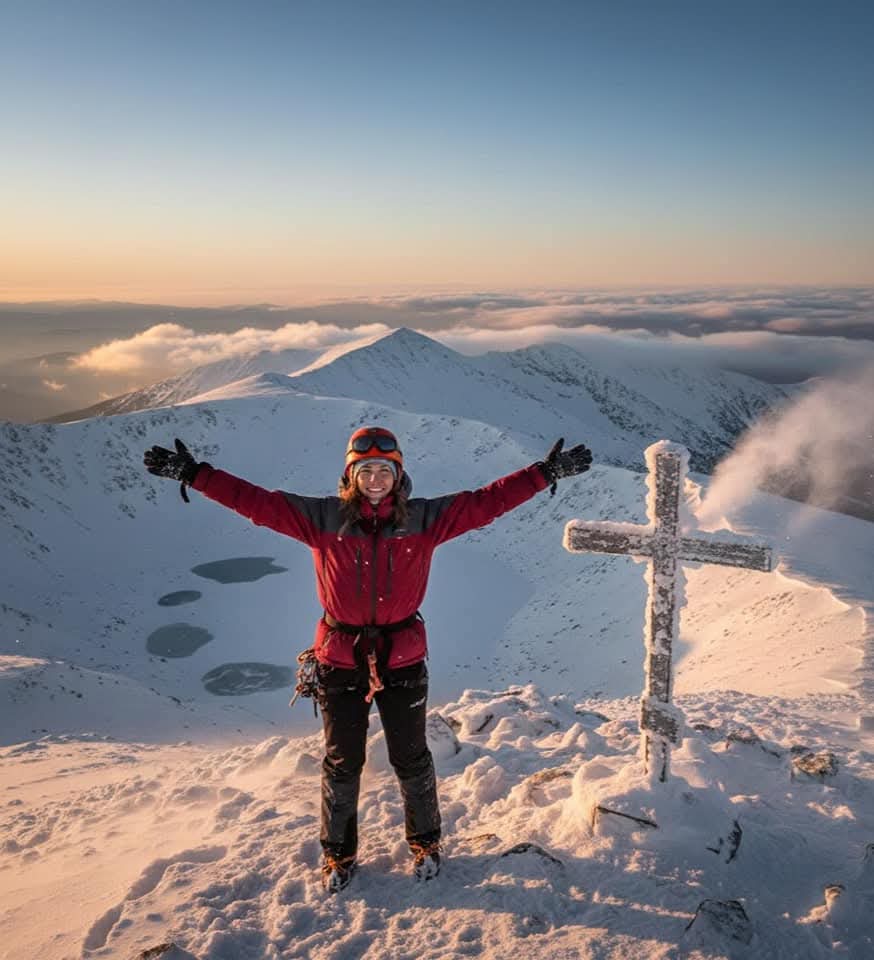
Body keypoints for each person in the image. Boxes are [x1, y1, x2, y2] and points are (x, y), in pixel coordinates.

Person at [143, 426, 592, 892]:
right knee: (342, 761)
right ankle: (338, 855)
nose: (375, 479)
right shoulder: (321, 517)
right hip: (339, 658)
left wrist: (544, 473)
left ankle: (426, 843)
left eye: (385, 470)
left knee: (411, 757)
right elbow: (256, 502)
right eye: (365, 471)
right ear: (350, 475)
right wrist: (196, 474)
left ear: (398, 476)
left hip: (402, 657)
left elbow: (487, 502)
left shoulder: (425, 518)